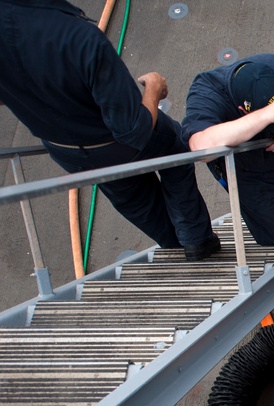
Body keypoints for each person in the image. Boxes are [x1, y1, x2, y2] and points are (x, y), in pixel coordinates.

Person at [0, 0, 218, 260]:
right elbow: (134, 130)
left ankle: (175, 248)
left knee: (134, 199)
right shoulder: (80, 38)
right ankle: (196, 240)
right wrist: (153, 89)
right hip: (118, 141)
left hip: (69, 152)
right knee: (176, 152)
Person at [182, 54, 274, 247]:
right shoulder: (207, 94)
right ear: (243, 110)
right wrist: (267, 115)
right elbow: (200, 147)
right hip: (245, 170)